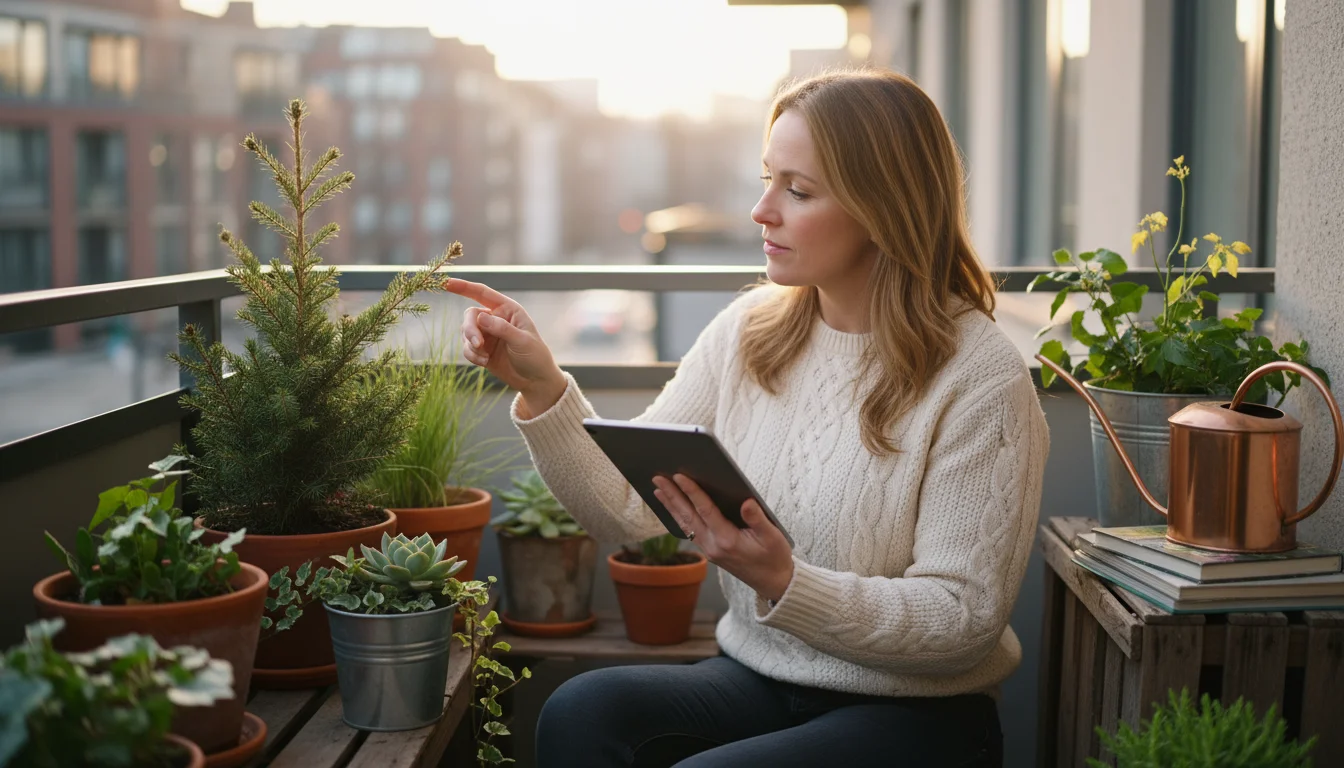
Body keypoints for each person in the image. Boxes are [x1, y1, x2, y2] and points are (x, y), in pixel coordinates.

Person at [446, 69, 1049, 768]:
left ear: (882, 207)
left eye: (798, 190)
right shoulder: (750, 333)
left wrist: (786, 582)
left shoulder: (979, 378)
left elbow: (962, 621)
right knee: (582, 712)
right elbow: (630, 512)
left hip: (919, 711)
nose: (763, 210)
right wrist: (545, 389)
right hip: (759, 676)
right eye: (768, 179)